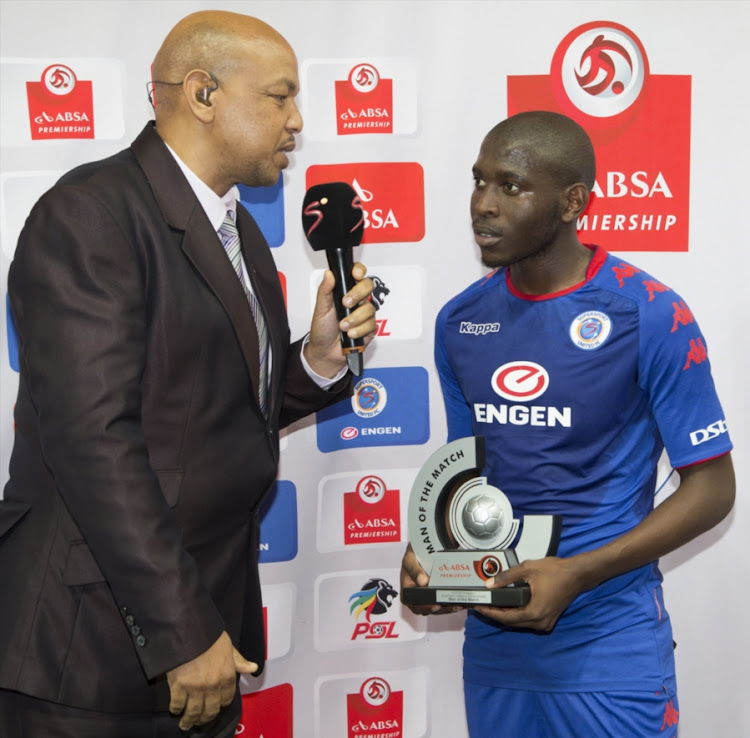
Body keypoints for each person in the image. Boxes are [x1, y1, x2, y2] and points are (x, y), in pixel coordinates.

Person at [0, 10, 375, 737]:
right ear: (203, 94)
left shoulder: (237, 233)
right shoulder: (90, 216)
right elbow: (94, 443)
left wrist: (317, 360)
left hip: (202, 627)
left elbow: (215, 410)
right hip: (91, 650)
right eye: (279, 96)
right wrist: (181, 631)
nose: (298, 120)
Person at [401, 111, 735, 737]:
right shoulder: (460, 322)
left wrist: (578, 573)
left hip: (610, 645)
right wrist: (432, 553)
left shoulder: (650, 313)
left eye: (511, 186)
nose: (484, 206)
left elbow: (714, 489)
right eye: (478, 183)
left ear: (572, 201)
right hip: (496, 647)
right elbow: (467, 472)